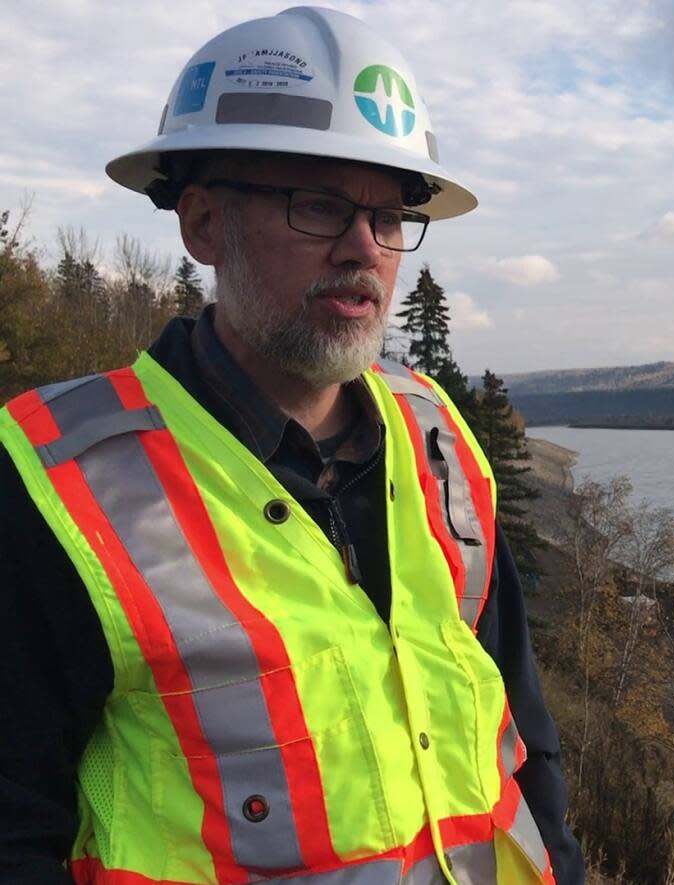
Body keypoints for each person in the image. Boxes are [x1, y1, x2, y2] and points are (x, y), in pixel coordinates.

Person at [0, 7, 584, 884]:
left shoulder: (438, 440)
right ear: (202, 225)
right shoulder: (57, 485)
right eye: (318, 205)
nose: (364, 248)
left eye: (389, 216)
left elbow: (523, 737)